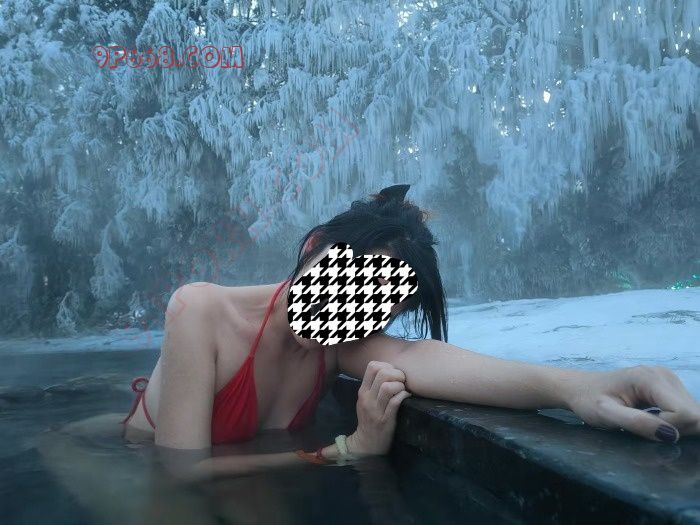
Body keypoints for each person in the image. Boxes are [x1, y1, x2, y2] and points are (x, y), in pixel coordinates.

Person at [118, 184, 699, 479]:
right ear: (314, 247)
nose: (345, 312)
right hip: (121, 458)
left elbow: (426, 357)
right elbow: (180, 474)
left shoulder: (335, 342)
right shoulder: (200, 311)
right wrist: (344, 452)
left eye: (374, 305)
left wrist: (577, 387)